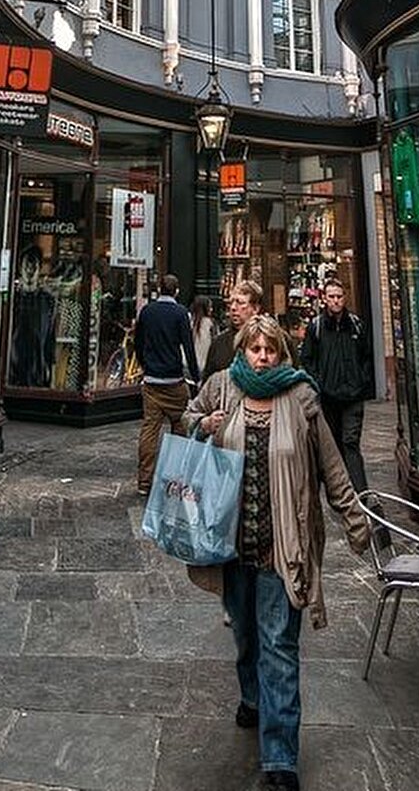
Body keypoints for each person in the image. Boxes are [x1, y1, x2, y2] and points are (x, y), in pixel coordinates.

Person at [185, 313, 369, 791]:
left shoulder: (302, 397)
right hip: (230, 546)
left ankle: (280, 760)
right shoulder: (223, 387)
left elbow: (332, 467)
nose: (263, 358)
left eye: (271, 350)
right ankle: (252, 697)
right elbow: (184, 419)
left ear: (282, 353)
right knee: (247, 636)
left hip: (283, 548)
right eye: (255, 349)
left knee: (280, 649)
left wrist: (356, 523)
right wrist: (204, 423)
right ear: (243, 350)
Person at [297, 277, 373, 492]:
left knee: (350, 442)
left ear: (344, 297)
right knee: (329, 444)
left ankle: (361, 494)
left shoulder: (356, 324)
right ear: (324, 299)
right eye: (331, 297)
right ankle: (334, 490)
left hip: (353, 395)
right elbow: (308, 358)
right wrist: (319, 383)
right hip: (328, 396)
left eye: (339, 296)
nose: (336, 301)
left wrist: (362, 380)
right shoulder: (317, 327)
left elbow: (366, 356)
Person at [133, 273, 199, 495]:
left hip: (152, 381)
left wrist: (145, 364)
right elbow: (188, 346)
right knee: (180, 428)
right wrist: (196, 376)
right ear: (177, 290)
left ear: (159, 289)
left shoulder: (147, 311)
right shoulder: (181, 313)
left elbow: (138, 342)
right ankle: (174, 479)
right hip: (173, 380)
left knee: (149, 430)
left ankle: (144, 481)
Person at [202, 278, 263, 381]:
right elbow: (207, 383)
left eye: (240, 303)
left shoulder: (270, 340)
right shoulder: (219, 343)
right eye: (231, 303)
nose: (233, 307)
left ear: (255, 309)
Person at [189, 294, 216, 375]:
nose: (211, 309)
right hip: (205, 366)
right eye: (210, 307)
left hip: (188, 366)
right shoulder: (211, 324)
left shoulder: (189, 322)